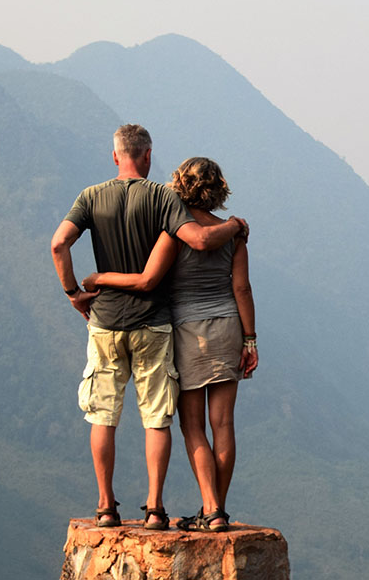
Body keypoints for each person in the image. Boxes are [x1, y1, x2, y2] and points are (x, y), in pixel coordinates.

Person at [50, 126, 247, 531]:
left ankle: (106, 507)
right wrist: (235, 226)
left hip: (112, 322)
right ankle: (167, 509)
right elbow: (215, 257)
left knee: (105, 416)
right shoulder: (162, 200)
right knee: (163, 419)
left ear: (114, 155)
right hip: (162, 326)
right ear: (148, 155)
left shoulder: (91, 197)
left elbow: (60, 245)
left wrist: (77, 290)